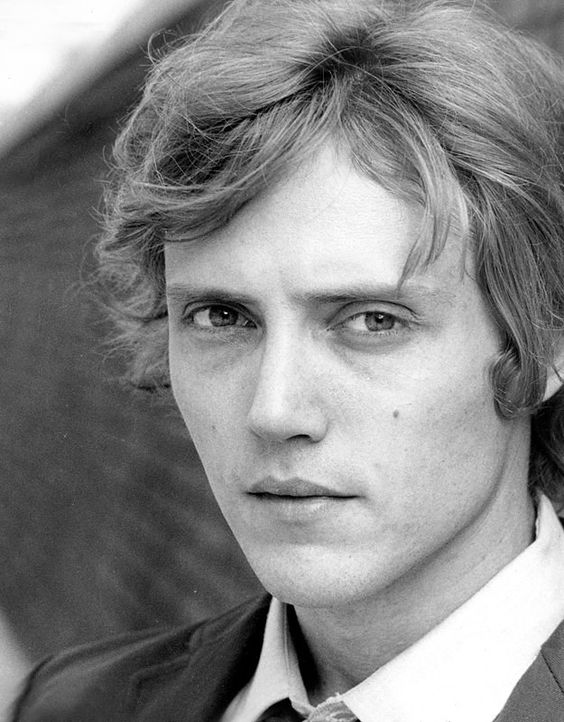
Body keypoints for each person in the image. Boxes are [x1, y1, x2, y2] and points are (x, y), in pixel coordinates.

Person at [12, 0, 564, 720]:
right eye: (222, 317)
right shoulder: (69, 706)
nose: (274, 412)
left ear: (546, 342)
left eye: (371, 321)